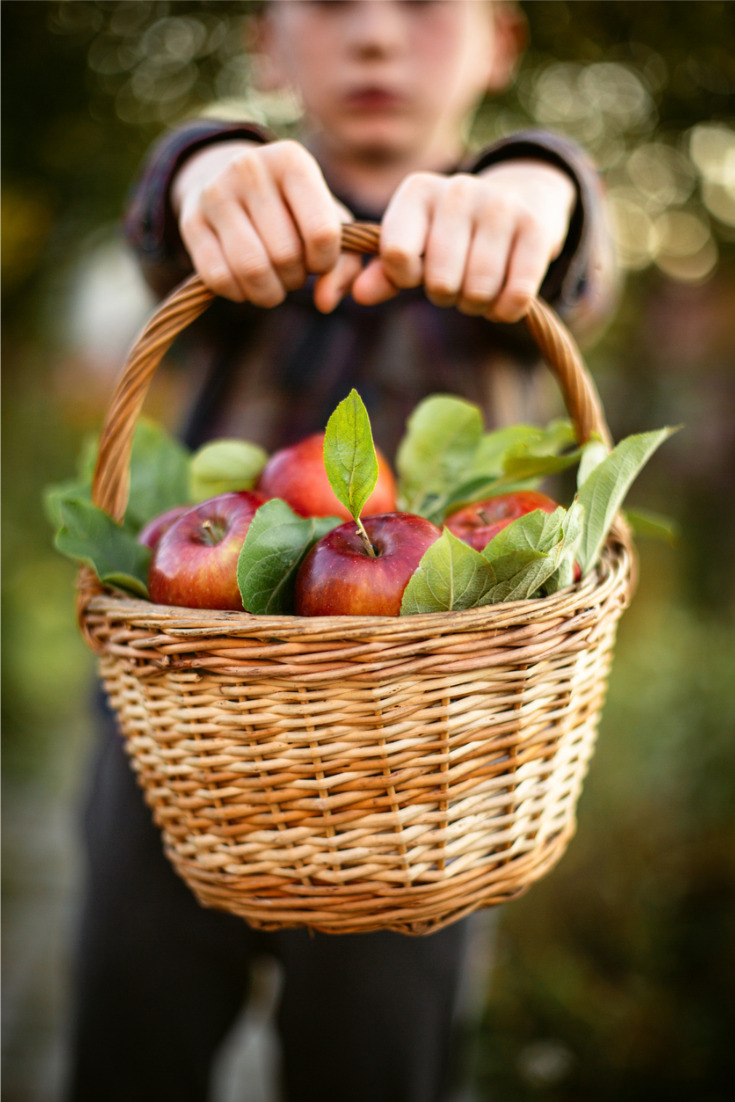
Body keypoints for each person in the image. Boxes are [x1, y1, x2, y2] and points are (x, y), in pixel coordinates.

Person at [64, 4, 618, 1101]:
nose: (374, 37)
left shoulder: (507, 231)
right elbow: (172, 213)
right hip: (188, 736)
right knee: (131, 1036)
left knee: (377, 1066)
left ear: (498, 41)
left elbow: (567, 246)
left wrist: (541, 186)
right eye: (326, 4)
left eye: (423, 5)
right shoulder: (236, 225)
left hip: (422, 771)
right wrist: (204, 164)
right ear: (269, 46)